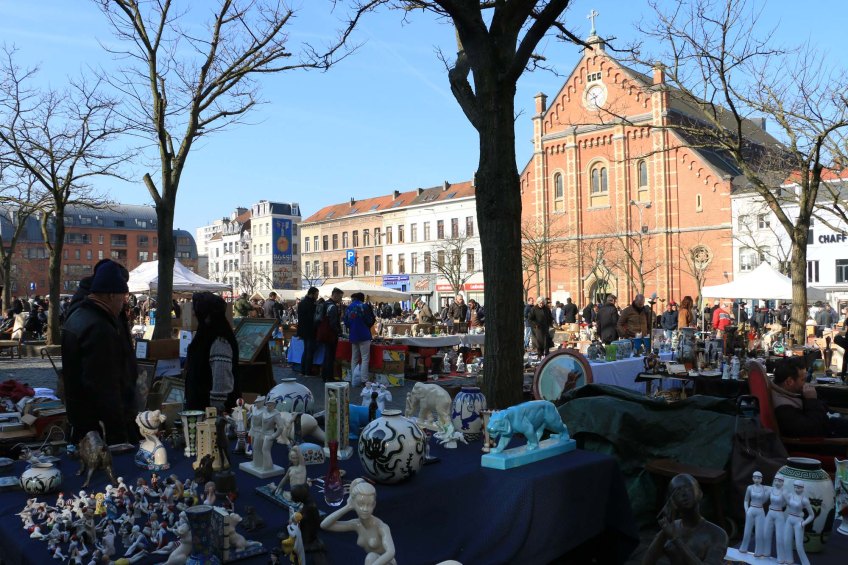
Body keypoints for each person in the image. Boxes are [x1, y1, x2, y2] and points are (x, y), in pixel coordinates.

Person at [62, 259, 139, 445]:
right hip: (98, 427)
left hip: (83, 421)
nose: (123, 303)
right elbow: (105, 387)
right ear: (111, 295)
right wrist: (118, 434)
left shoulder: (79, 316)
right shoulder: (99, 327)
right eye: (122, 297)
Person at [642, 474, 728, 565]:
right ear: (672, 501)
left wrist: (675, 539)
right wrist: (664, 533)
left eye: (688, 488)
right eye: (677, 491)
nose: (683, 494)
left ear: (700, 493)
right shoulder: (671, 529)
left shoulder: (717, 534)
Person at [184, 292, 241, 411]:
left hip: (211, 413)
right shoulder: (204, 333)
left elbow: (221, 378)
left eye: (197, 310)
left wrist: (216, 409)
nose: (194, 314)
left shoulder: (219, 339)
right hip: (199, 408)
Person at [320, 478, 397, 565]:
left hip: (387, 563)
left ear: (374, 504)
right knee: (370, 557)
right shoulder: (356, 524)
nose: (365, 509)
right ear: (354, 503)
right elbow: (325, 525)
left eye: (369, 505)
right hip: (371, 561)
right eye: (360, 504)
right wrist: (347, 507)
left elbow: (390, 553)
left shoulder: (381, 526)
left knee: (370, 556)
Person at [770, 356, 848, 437]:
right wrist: (811, 400)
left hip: (826, 423)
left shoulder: (791, 392)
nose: (805, 383)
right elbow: (813, 430)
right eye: (803, 380)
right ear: (789, 382)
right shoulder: (783, 408)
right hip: (822, 441)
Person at [343, 292, 375, 385]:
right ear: (362, 298)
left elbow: (346, 321)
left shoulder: (349, 307)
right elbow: (370, 320)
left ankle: (354, 378)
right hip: (364, 334)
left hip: (353, 334)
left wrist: (352, 327)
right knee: (365, 358)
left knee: (354, 358)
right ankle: (364, 380)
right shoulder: (364, 306)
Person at [320, 288, 344, 382]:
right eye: (340, 297)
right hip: (330, 334)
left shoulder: (325, 304)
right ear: (335, 295)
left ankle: (325, 376)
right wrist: (338, 331)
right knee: (330, 356)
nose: (341, 299)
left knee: (327, 355)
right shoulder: (332, 307)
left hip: (324, 332)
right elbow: (333, 323)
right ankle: (329, 377)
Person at [296, 287, 319, 376]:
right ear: (312, 294)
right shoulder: (312, 304)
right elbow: (312, 319)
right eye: (316, 294)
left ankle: (303, 370)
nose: (317, 296)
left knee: (306, 350)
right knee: (309, 351)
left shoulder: (301, 303)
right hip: (310, 330)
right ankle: (307, 371)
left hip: (303, 330)